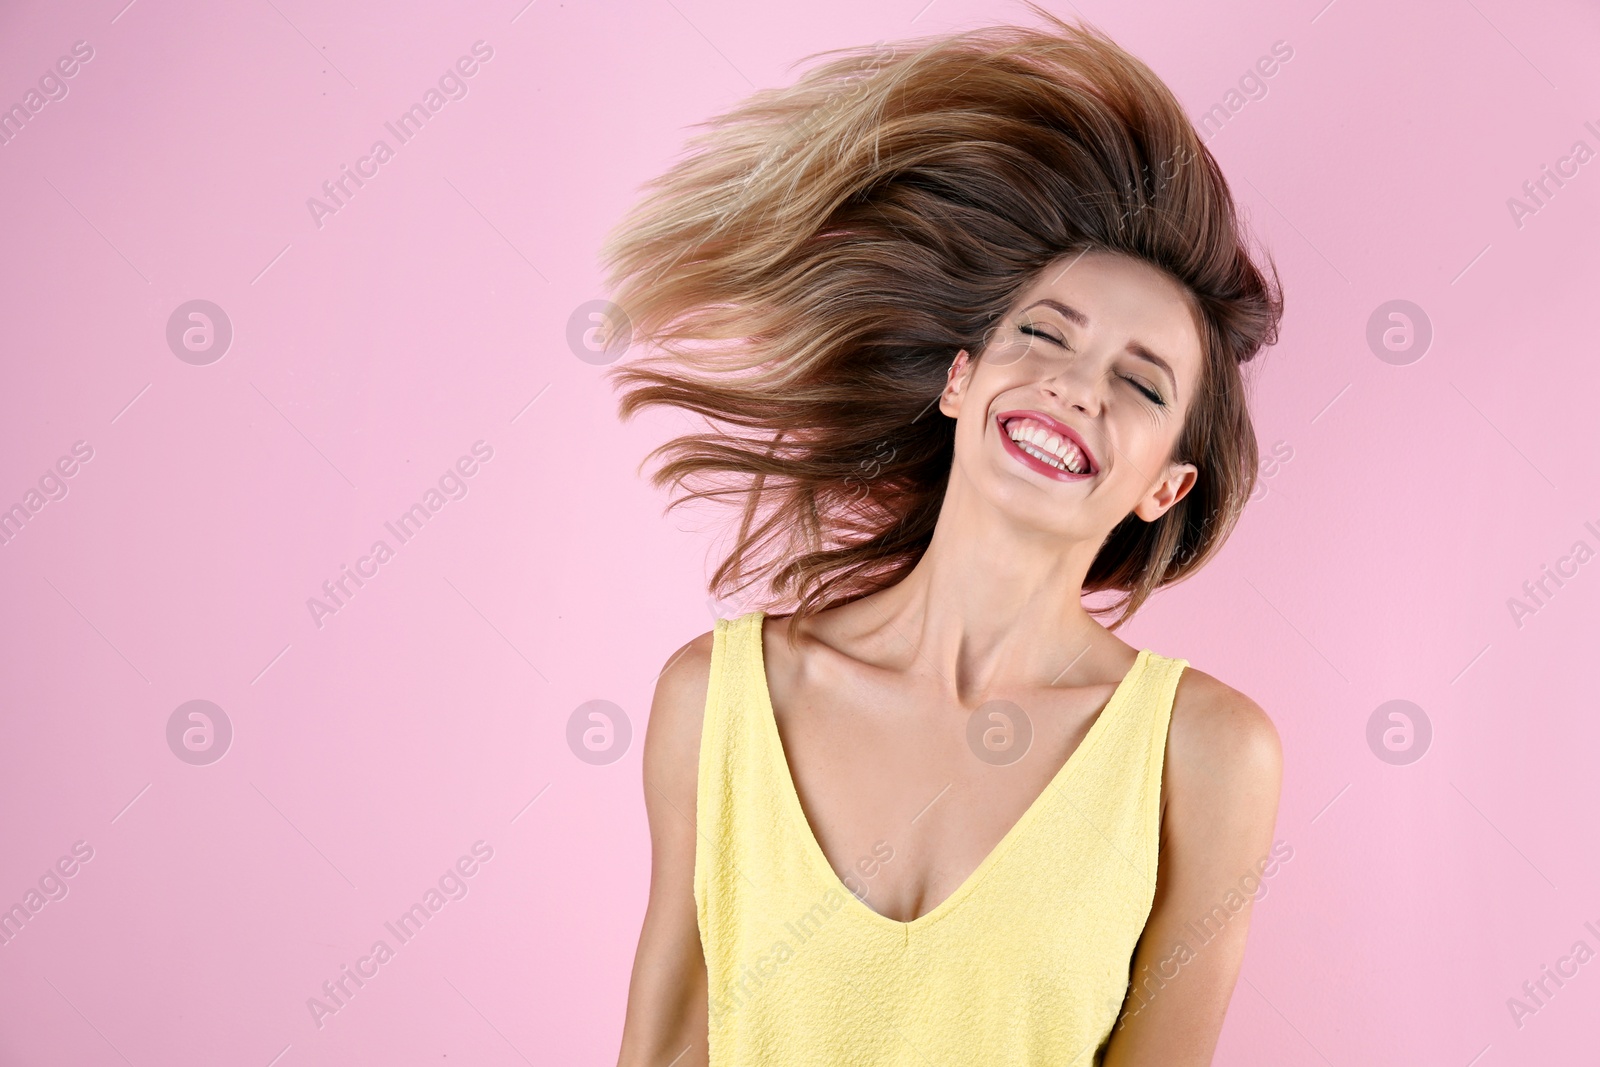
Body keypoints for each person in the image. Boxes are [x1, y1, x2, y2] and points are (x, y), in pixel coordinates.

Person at [606, 8, 1284, 1065]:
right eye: (1043, 335)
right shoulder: (718, 702)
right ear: (962, 382)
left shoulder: (1206, 756)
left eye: (1139, 383)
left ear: (1165, 485)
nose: (1074, 385)